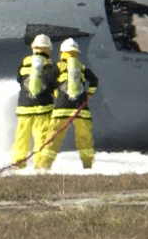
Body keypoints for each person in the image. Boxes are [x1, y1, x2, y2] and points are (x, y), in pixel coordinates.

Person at [44, 37, 101, 169]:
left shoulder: (58, 66)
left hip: (61, 109)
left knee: (53, 138)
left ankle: (44, 166)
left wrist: (55, 94)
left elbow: (47, 81)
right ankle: (87, 166)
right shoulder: (82, 67)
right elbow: (94, 81)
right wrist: (89, 94)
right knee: (85, 139)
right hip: (81, 109)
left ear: (62, 53)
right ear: (76, 53)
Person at [12, 33, 57, 168]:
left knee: (21, 136)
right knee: (42, 137)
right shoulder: (51, 66)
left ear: (33, 48)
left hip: (24, 107)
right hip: (43, 108)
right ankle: (40, 164)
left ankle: (18, 161)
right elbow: (54, 86)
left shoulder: (24, 61)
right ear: (48, 49)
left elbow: (19, 79)